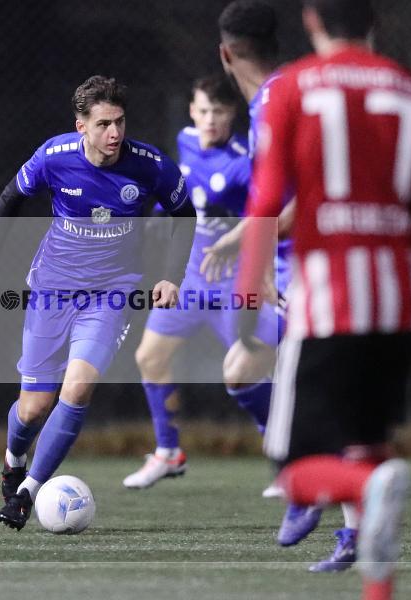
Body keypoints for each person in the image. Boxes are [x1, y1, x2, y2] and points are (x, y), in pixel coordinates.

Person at [236, 0, 411, 598]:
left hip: (329, 300)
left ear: (312, 20)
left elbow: (267, 196)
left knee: (294, 471)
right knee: (369, 447)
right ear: (372, 20)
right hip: (402, 300)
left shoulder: (297, 87)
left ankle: (358, 492)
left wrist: (249, 290)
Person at [0, 75, 196, 531]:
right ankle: (14, 458)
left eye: (120, 122)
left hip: (112, 293)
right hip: (53, 289)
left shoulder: (150, 165)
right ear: (81, 126)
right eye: (104, 124)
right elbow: (11, 197)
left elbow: (184, 216)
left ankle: (26, 493)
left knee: (76, 388)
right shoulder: (54, 157)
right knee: (33, 408)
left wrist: (172, 277)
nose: (115, 133)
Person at [212, 0, 360, 573]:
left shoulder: (278, 100)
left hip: (317, 269)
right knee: (241, 369)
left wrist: (249, 241)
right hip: (286, 268)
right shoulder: (274, 97)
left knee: (330, 402)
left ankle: (342, 523)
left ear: (226, 54)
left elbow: (305, 199)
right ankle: (304, 475)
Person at [123, 75, 278, 489]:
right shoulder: (186, 140)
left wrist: (262, 271)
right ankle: (168, 452)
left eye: (220, 111)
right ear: (192, 111)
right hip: (190, 280)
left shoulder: (244, 162)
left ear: (234, 115)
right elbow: (182, 189)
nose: (210, 119)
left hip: (234, 284)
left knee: (254, 373)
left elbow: (267, 216)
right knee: (150, 358)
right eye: (204, 110)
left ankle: (284, 453)